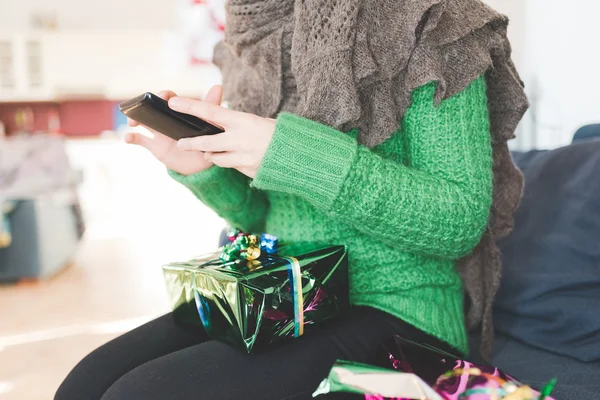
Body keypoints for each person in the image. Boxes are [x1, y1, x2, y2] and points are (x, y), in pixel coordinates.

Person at [55, 0, 528, 399]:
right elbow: (257, 215)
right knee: (84, 385)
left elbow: (459, 221)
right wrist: (205, 173)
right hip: (285, 293)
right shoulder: (250, 37)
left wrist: (293, 152)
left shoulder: (435, 22)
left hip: (401, 311)